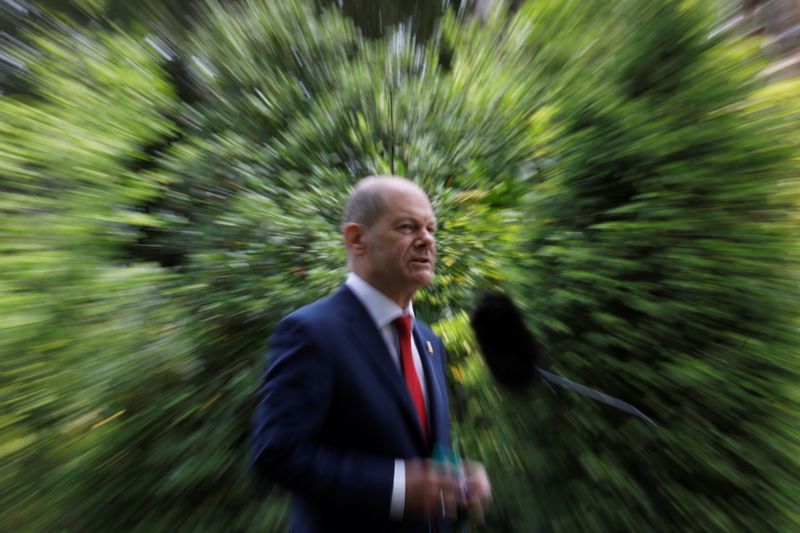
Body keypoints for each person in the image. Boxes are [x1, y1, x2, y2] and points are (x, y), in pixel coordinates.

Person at [250, 176, 491, 532]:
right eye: (407, 227)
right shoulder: (311, 333)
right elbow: (277, 453)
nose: (426, 239)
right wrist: (395, 488)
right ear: (356, 238)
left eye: (430, 228)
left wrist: (457, 484)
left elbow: (418, 452)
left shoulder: (429, 341)